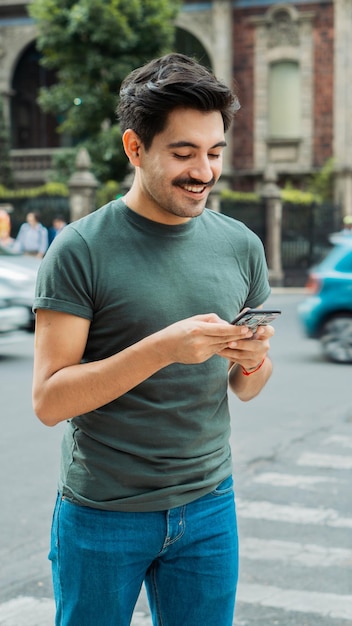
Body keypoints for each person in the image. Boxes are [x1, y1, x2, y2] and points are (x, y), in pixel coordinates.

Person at [32, 53, 275, 626]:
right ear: (135, 148)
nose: (204, 172)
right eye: (183, 153)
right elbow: (49, 400)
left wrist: (253, 361)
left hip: (210, 505)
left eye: (214, 152)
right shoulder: (79, 249)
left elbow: (249, 388)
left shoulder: (241, 246)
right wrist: (162, 348)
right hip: (102, 512)